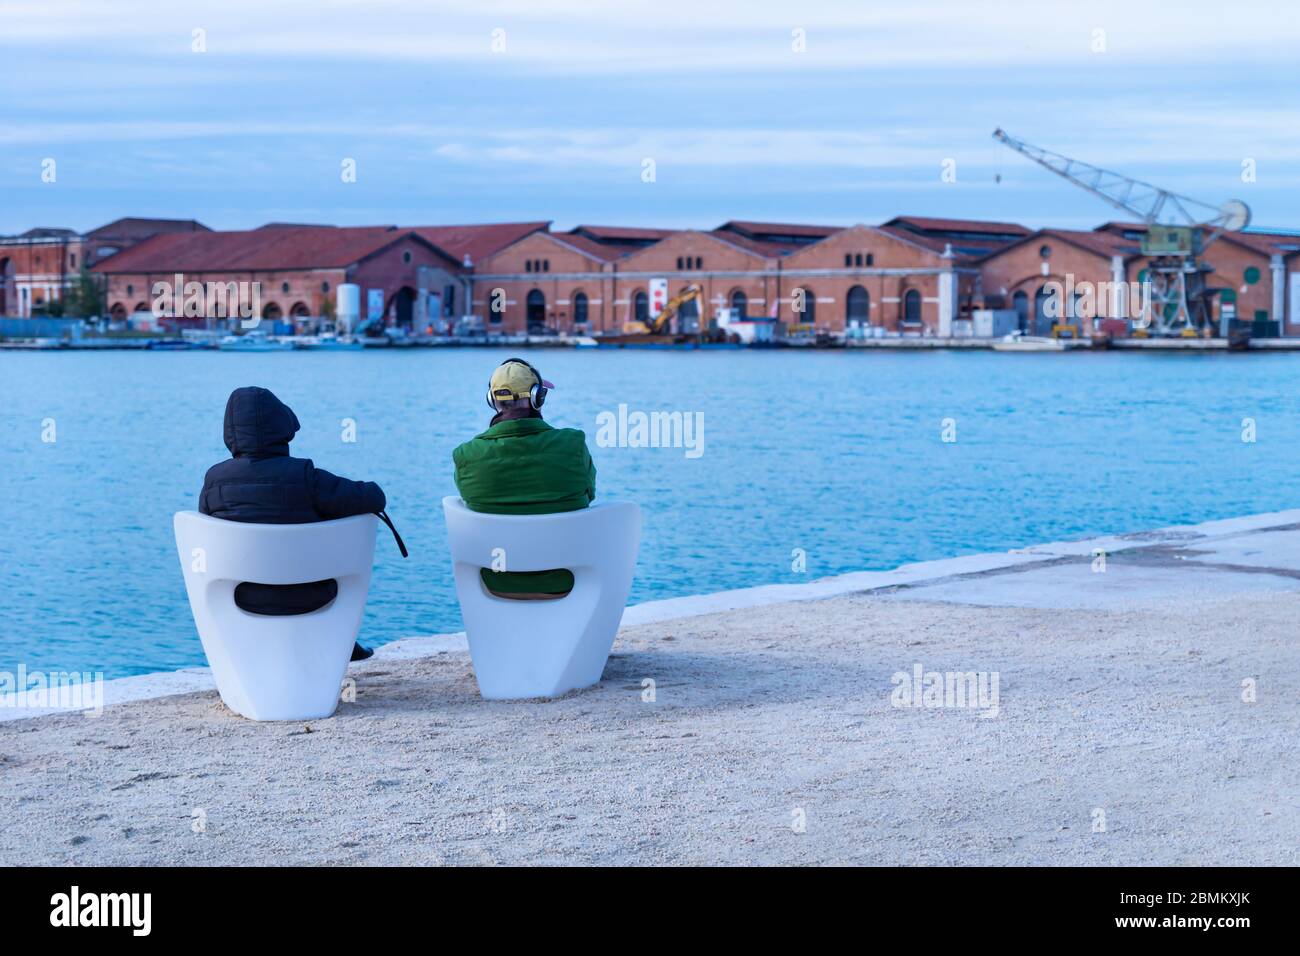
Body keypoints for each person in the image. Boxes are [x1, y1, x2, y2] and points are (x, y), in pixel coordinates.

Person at [200, 386, 402, 661]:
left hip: (240, 596)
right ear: (283, 429)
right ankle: (338, 638)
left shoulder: (214, 480)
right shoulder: (305, 477)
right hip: (311, 595)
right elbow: (374, 497)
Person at [452, 358, 596, 599]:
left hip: (493, 586)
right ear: (537, 398)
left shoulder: (466, 455)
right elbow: (589, 494)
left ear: (492, 400)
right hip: (565, 582)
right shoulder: (573, 445)